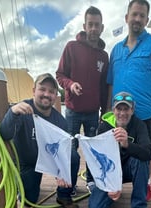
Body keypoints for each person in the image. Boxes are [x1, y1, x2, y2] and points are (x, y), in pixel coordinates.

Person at [107, 0, 151, 201]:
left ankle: (142, 186)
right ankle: (113, 184)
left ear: (146, 19)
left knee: (147, 152)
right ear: (127, 18)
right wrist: (107, 110)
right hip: (119, 115)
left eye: (142, 15)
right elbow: (110, 83)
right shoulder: (116, 50)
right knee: (115, 150)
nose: (137, 19)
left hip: (145, 114)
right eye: (134, 14)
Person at [0, 73, 80, 208]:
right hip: (29, 163)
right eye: (42, 89)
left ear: (55, 96)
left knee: (73, 156)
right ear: (33, 91)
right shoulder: (22, 109)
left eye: (51, 91)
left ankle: (64, 195)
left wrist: (61, 172)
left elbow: (63, 151)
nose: (46, 94)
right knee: (29, 201)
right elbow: (5, 134)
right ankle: (28, 185)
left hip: (50, 159)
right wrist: (12, 112)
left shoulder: (61, 121)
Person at [56, 6, 109, 191]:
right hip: (72, 111)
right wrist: (70, 84)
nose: (93, 28)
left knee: (92, 150)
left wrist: (105, 110)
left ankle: (91, 182)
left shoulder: (104, 56)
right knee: (70, 150)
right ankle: (69, 185)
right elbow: (60, 74)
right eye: (90, 24)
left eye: (97, 25)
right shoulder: (71, 47)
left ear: (102, 28)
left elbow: (103, 86)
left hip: (93, 113)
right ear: (84, 26)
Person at [88, 92, 151, 208]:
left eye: (126, 109)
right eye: (119, 109)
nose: (122, 113)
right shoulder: (103, 127)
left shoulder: (139, 125)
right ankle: (104, 191)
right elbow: (96, 158)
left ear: (132, 110)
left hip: (129, 169)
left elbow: (149, 153)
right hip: (110, 172)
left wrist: (127, 144)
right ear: (113, 110)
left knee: (141, 158)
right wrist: (110, 184)